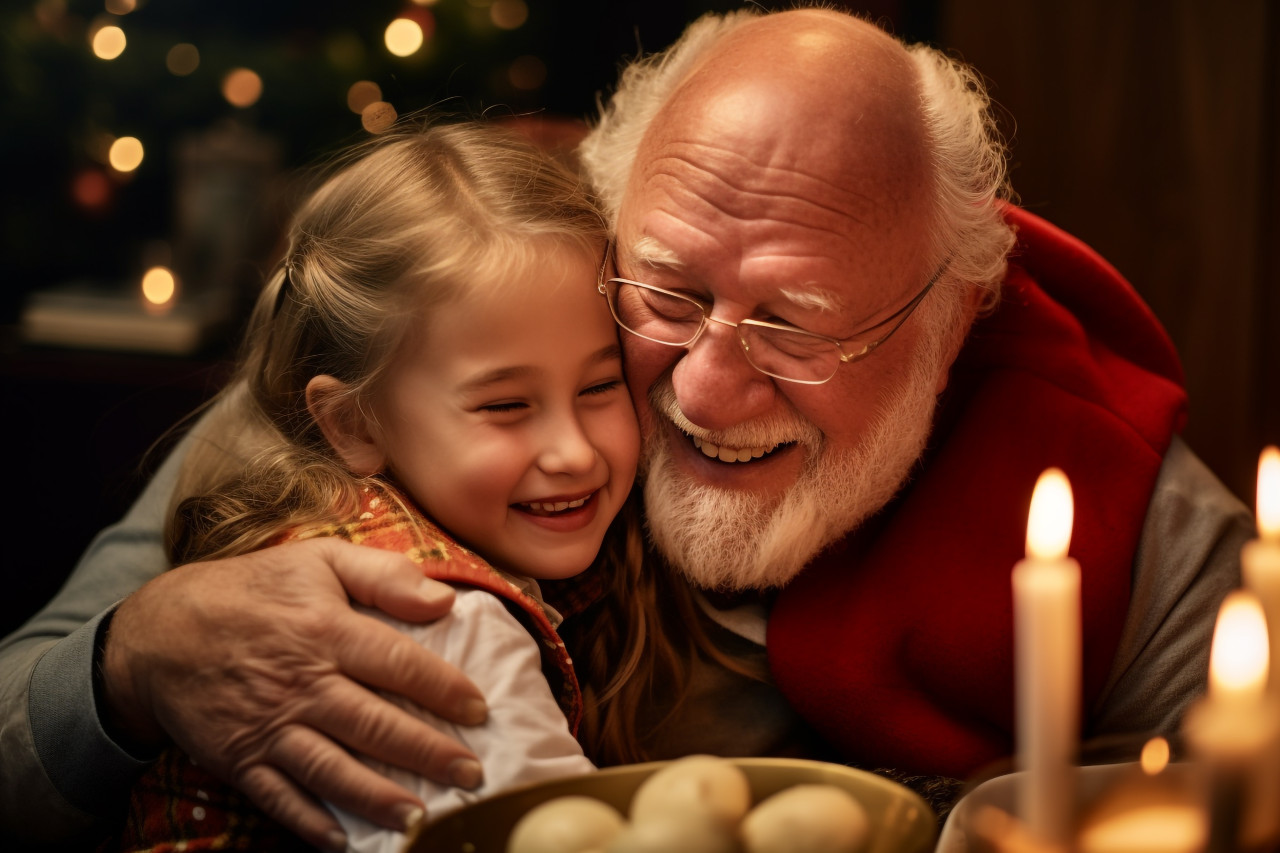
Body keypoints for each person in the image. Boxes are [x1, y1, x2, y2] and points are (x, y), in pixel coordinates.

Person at [0, 6, 1252, 850]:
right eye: (664, 294)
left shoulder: (1115, 494)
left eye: (797, 322)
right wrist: (136, 656)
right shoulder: (437, 350)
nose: (703, 388)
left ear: (954, 311)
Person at [93, 120, 668, 852]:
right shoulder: (436, 619)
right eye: (504, 405)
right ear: (352, 424)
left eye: (600, 384)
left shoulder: (352, 511)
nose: (573, 452)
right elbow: (555, 835)